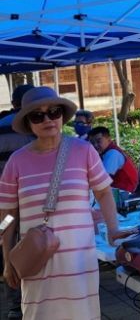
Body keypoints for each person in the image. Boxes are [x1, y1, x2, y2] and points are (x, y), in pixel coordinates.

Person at [0, 87, 131, 319]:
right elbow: (7, 215)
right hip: (37, 264)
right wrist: (7, 258)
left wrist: (113, 229)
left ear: (62, 114)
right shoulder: (16, 162)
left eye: (54, 112)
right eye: (37, 115)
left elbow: (103, 193)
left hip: (79, 264)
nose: (47, 119)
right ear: (28, 122)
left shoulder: (84, 151)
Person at [0, 84, 33, 320]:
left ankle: (14, 304)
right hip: (29, 205)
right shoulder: (32, 126)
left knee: (6, 243)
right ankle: (30, 299)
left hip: (4, 209)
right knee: (32, 248)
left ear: (13, 103)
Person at [87, 126, 139, 192]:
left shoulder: (112, 154)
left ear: (109, 139)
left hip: (129, 193)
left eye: (98, 141)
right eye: (92, 143)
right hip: (123, 192)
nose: (95, 145)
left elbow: (102, 180)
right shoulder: (105, 153)